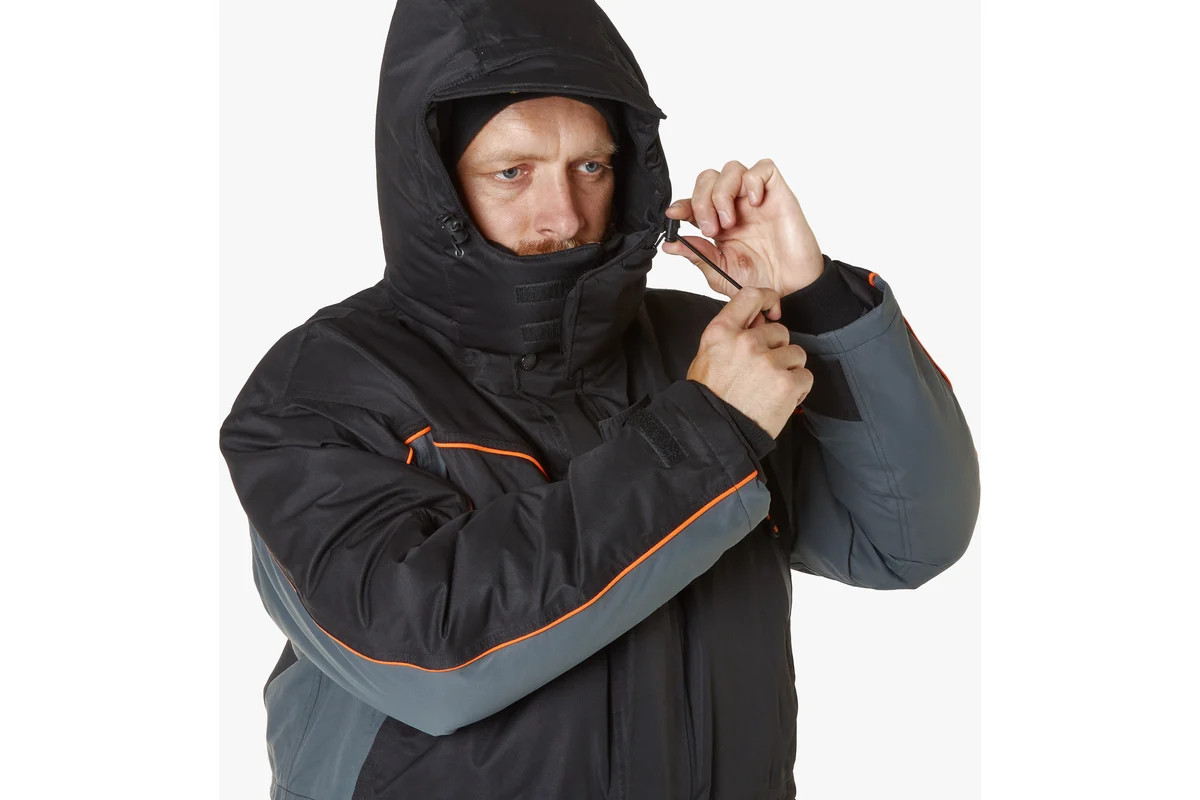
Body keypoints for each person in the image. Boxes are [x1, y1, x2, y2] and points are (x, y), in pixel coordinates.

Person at [219, 0, 980, 797]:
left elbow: (909, 537)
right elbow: (424, 658)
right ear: (433, 184)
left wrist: (812, 298)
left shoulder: (708, 350)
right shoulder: (319, 389)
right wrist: (706, 433)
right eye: (512, 172)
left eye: (592, 166)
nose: (565, 216)